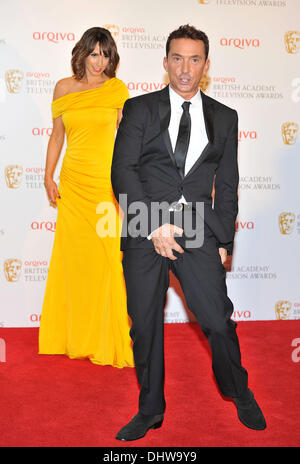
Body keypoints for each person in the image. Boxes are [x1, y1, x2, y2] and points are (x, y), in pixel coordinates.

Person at [111, 25, 266, 440]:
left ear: (207, 65)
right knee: (144, 325)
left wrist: (224, 242)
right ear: (165, 62)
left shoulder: (225, 117)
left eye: (194, 59)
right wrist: (152, 223)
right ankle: (149, 410)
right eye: (177, 58)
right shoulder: (139, 109)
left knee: (217, 320)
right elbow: (122, 171)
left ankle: (239, 390)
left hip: (198, 227)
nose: (185, 68)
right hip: (145, 226)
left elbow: (228, 185)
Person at [39, 27, 134, 369]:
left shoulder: (116, 89)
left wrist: (130, 180)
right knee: (74, 262)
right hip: (74, 185)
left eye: (105, 54)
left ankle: (105, 336)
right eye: (94, 53)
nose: (99, 61)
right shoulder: (63, 87)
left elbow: (128, 137)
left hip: (105, 185)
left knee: (108, 261)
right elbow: (56, 136)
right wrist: (48, 175)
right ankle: (72, 336)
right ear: (82, 52)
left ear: (112, 58)